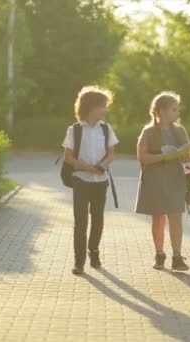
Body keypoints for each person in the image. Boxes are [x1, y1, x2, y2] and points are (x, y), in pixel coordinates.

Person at [62, 86, 119, 275]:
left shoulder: (106, 128)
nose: (105, 110)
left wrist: (102, 165)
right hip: (81, 180)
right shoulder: (75, 130)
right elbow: (68, 157)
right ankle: (79, 262)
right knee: (80, 221)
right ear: (91, 108)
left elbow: (111, 154)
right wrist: (87, 167)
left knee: (98, 218)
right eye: (103, 106)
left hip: (100, 181)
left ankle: (94, 251)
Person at [135, 91, 190, 271]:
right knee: (158, 218)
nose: (177, 113)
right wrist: (163, 156)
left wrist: (187, 152)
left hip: (175, 179)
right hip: (155, 180)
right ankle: (160, 254)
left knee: (176, 217)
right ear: (161, 111)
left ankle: (177, 256)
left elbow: (186, 157)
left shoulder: (180, 130)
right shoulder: (148, 131)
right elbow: (142, 157)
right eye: (174, 109)